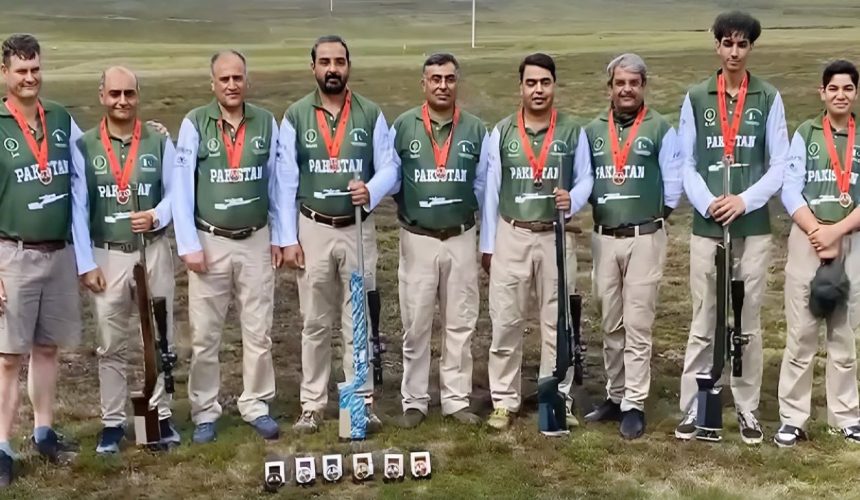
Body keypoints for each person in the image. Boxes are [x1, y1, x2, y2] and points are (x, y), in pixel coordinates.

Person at [676, 10, 789, 445]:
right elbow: (685, 162)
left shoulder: (767, 97)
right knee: (704, 317)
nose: (734, 51)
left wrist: (743, 200)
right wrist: (708, 202)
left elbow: (780, 163)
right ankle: (694, 404)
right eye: (728, 43)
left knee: (747, 319)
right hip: (708, 227)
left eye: (743, 44)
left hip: (753, 225)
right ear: (717, 45)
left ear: (751, 48)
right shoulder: (697, 96)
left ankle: (746, 407)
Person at [279, 35, 398, 434]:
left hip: (357, 229)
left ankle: (360, 403)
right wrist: (287, 238)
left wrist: (373, 190)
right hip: (312, 227)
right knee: (314, 321)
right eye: (325, 62)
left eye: (340, 62)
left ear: (349, 66)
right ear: (312, 66)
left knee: (358, 321)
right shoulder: (296, 115)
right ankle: (312, 405)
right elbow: (284, 180)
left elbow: (389, 167)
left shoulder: (370, 113)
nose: (333, 69)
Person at [173, 50, 286, 443]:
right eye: (224, 79)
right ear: (213, 84)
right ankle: (205, 410)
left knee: (259, 331)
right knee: (205, 335)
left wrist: (279, 236)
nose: (232, 85)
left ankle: (256, 403)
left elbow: (276, 185)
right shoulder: (194, 124)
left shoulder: (266, 123)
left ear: (247, 81)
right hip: (210, 240)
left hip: (255, 239)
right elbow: (181, 188)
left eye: (238, 78)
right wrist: (188, 244)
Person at [480, 53, 593, 431]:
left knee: (557, 322)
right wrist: (489, 244)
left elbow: (586, 179)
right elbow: (491, 192)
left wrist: (573, 200)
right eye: (531, 83)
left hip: (556, 236)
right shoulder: (502, 132)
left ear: (554, 85)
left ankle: (556, 396)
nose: (538, 89)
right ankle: (503, 400)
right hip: (513, 232)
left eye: (545, 82)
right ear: (521, 87)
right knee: (506, 320)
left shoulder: (572, 131)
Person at [71, 66, 181, 454]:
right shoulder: (83, 146)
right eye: (114, 93)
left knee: (159, 336)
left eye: (129, 94)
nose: (122, 101)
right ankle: (113, 423)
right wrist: (85, 263)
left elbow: (175, 192)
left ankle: (159, 415)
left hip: (152, 250)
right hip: (108, 254)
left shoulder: (157, 141)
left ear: (138, 96)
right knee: (110, 342)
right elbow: (79, 209)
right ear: (101, 95)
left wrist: (157, 215)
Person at [582, 53, 682, 439]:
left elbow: (672, 184)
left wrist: (653, 218)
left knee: (638, 324)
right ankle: (615, 393)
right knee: (610, 320)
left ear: (643, 86)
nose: (626, 89)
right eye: (620, 83)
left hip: (644, 237)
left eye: (634, 83)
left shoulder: (659, 128)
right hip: (604, 236)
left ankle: (635, 403)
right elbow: (585, 178)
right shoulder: (593, 130)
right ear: (610, 87)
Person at [0, 33, 83, 487]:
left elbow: (89, 160)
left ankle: (44, 431)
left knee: (47, 348)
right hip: (12, 254)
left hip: (58, 252)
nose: (30, 78)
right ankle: (1, 446)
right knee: (9, 357)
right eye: (21, 71)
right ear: (5, 74)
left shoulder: (61, 119)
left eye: (35, 69)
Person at [389, 52, 488, 428]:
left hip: (461, 237)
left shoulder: (476, 129)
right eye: (435, 79)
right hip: (418, 238)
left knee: (460, 321)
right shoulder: (402, 126)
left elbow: (483, 185)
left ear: (456, 82)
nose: (442, 85)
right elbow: (392, 179)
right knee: (415, 322)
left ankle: (455, 399)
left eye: (449, 79)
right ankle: (414, 400)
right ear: (424, 84)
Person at [774, 59, 860, 447]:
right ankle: (793, 417)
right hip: (807, 240)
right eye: (833, 88)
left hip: (851, 239)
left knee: (843, 332)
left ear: (855, 93)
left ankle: (846, 415)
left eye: (848, 89)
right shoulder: (806, 133)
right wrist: (816, 231)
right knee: (803, 332)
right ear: (821, 92)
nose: (840, 95)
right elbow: (791, 187)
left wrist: (838, 232)